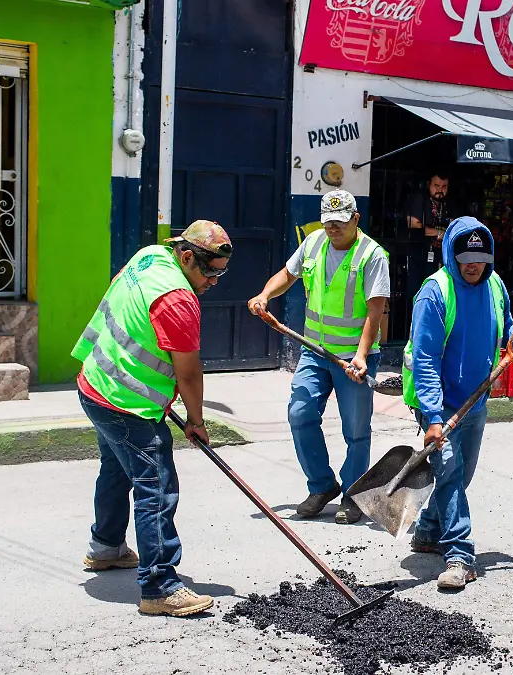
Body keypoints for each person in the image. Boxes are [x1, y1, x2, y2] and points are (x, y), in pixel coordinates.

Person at [73, 220, 232, 617]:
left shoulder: (149, 257)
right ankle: (159, 585)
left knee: (116, 469)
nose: (214, 280)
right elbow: (189, 372)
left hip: (96, 385)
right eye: (209, 271)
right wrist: (196, 420)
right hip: (127, 405)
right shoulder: (179, 300)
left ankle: (106, 547)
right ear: (187, 255)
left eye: (221, 273)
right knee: (156, 485)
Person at [405, 217, 513, 589]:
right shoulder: (434, 294)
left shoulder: (495, 285)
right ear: (451, 254)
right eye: (466, 257)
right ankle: (459, 555)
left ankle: (426, 531)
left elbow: (507, 331)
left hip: (475, 400)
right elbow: (424, 359)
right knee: (451, 472)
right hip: (437, 403)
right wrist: (434, 417)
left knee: (461, 474)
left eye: (481, 257)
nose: (474, 264)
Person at [248, 190, 390, 524]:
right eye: (328, 222)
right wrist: (265, 294)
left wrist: (362, 356)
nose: (333, 229)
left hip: (353, 359)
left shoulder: (372, 255)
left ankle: (354, 494)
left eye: (340, 223)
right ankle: (322, 485)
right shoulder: (313, 242)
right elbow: (288, 274)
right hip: (314, 351)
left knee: (356, 430)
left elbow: (375, 311)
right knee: (300, 413)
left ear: (356, 219)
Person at [405, 172, 457, 283]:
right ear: (429, 184)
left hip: (442, 255)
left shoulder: (449, 203)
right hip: (420, 252)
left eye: (444, 186)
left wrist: (433, 231)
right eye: (436, 186)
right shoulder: (421, 200)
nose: (440, 190)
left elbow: (455, 226)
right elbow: (413, 224)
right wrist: (441, 233)